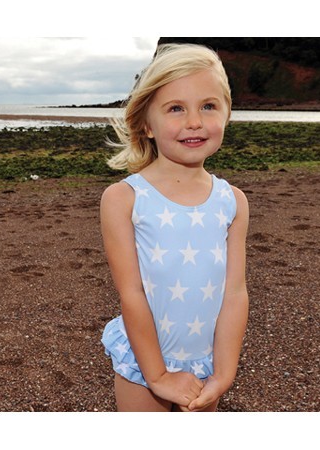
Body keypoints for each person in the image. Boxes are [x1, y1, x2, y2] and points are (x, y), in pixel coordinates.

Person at [100, 43, 249, 412]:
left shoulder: (233, 201)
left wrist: (224, 373)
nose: (194, 121)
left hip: (207, 365)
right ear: (147, 124)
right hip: (145, 363)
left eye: (209, 106)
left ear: (227, 114)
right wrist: (158, 376)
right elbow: (131, 293)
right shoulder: (124, 198)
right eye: (176, 108)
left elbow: (234, 292)